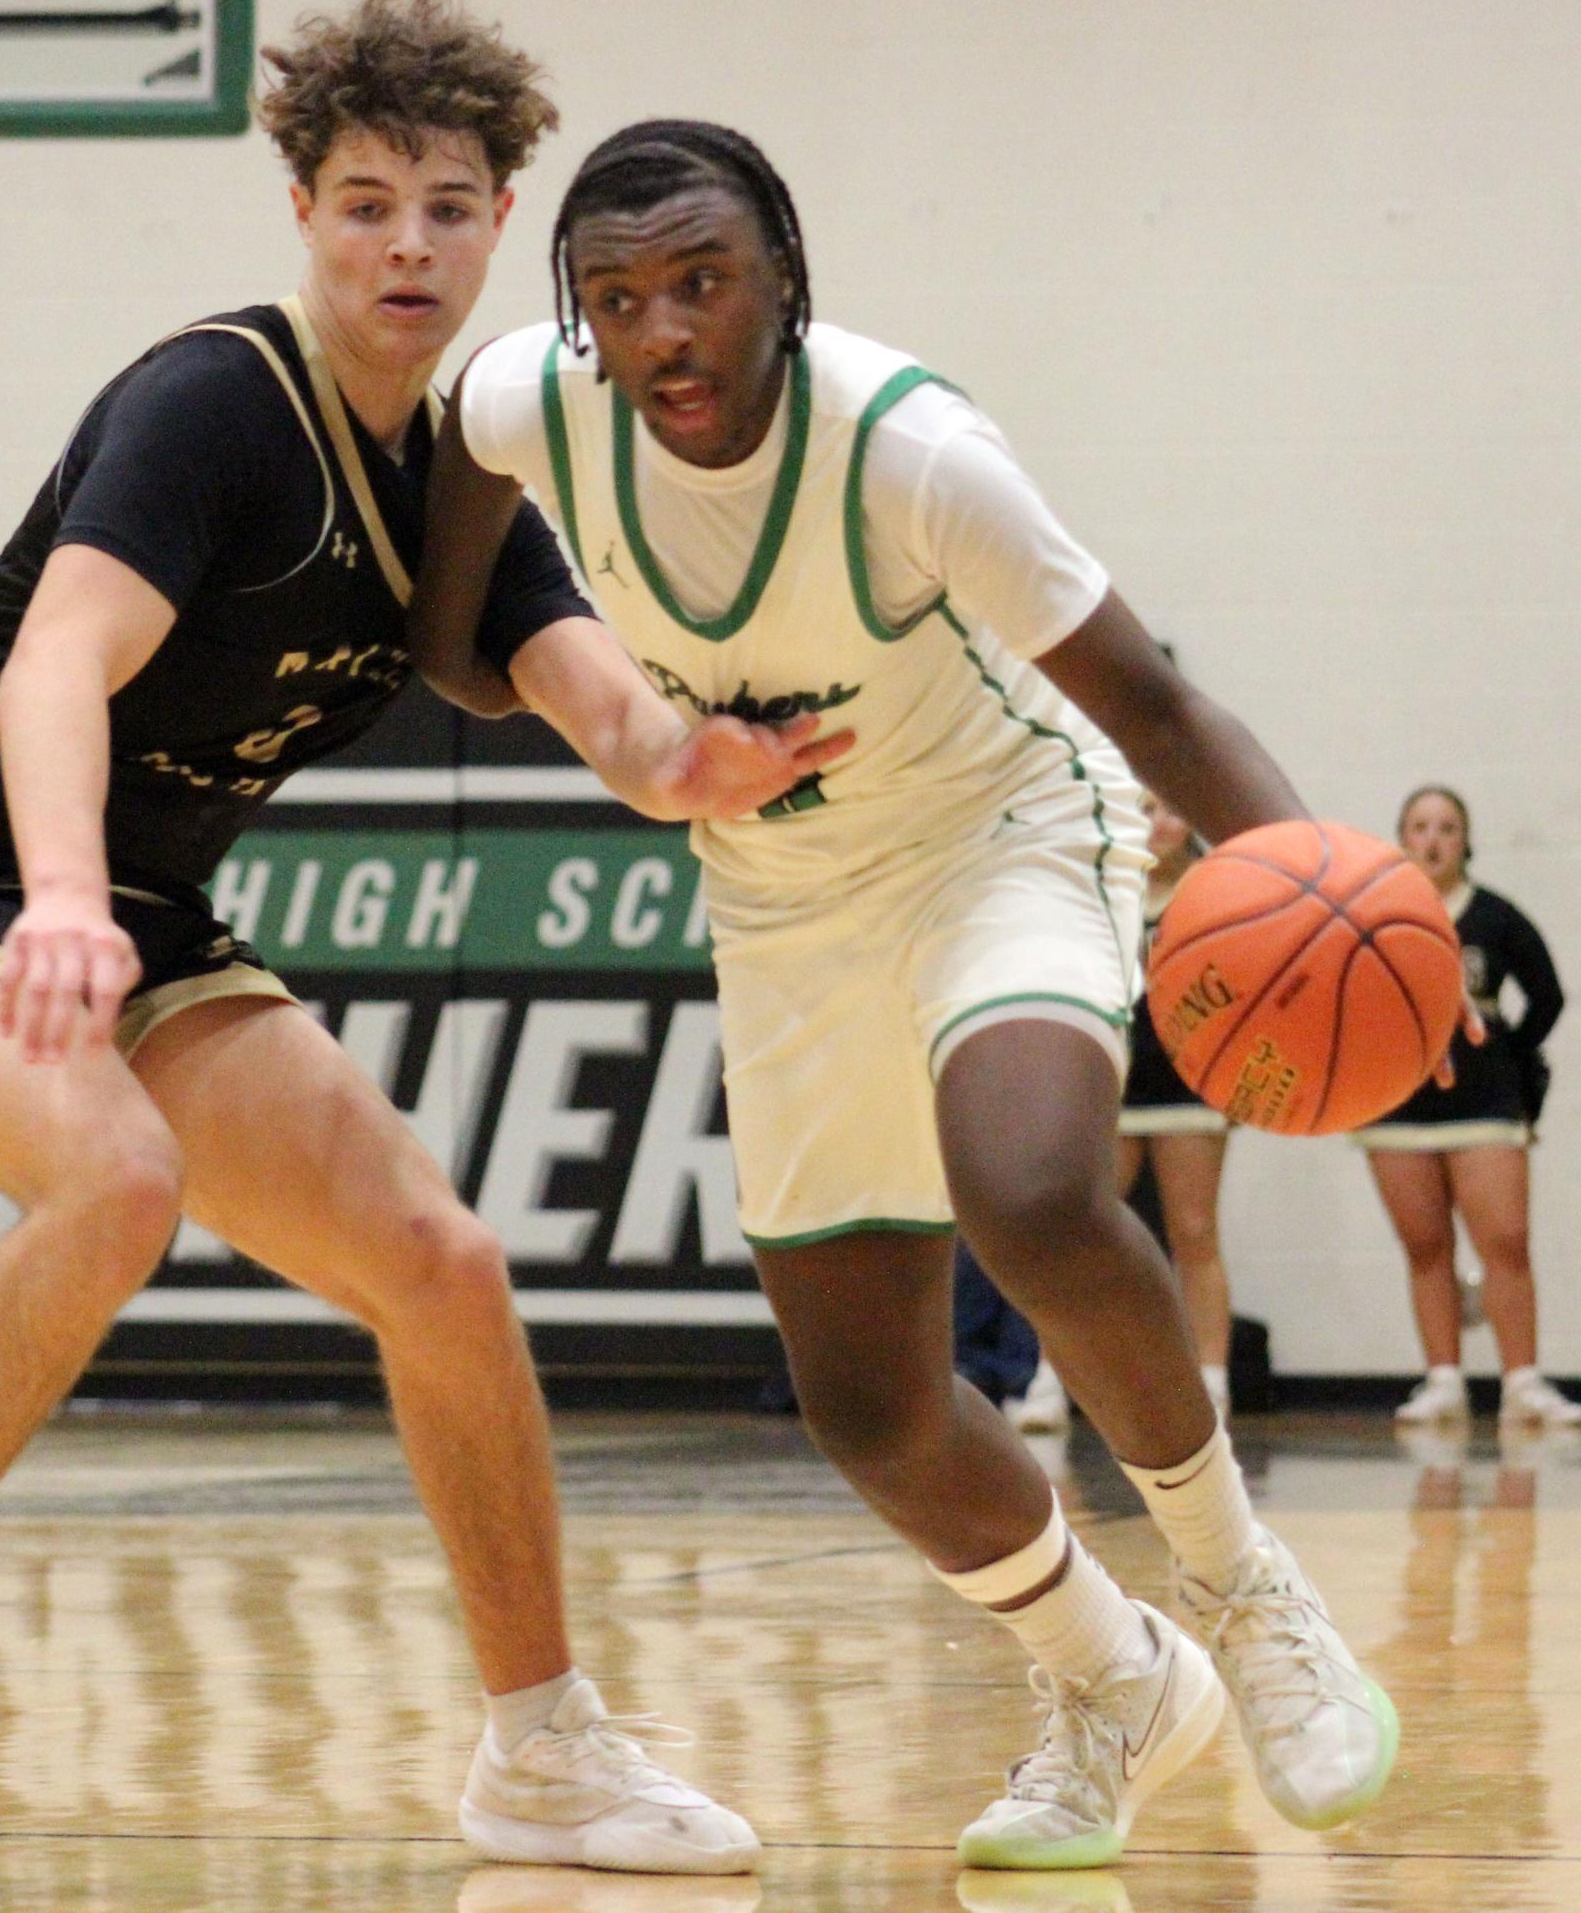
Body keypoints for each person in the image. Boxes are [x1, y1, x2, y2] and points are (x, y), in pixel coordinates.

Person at [0, 4, 800, 1877]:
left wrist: (703, 762)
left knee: (441, 1262)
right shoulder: (216, 401)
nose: (409, 246)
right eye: (368, 204)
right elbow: (60, 657)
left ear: (498, 234)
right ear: (303, 211)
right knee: (112, 1181)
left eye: (450, 209)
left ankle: (542, 1749)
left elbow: (617, 726)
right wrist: (62, 894)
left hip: (136, 906)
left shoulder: (467, 471)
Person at [410, 118, 1413, 1871]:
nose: (662, 333)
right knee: (866, 1406)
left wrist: (1341, 900)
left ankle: (1249, 1598)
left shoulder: (911, 450)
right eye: (619, 298)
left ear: (786, 283)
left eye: (703, 284)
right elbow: (452, 645)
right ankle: (1108, 1679)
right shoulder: (524, 404)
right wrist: (576, 696)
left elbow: (1158, 708)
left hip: (1000, 832)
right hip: (781, 892)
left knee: (1025, 1190)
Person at [1012, 792, 1234, 1431]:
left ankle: (1212, 1383)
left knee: (1194, 1233)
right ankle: (1052, 1382)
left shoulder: (1216, 889)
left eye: (1171, 806)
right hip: (1109, 1079)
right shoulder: (1102, 880)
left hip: (1189, 1082)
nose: (1159, 820)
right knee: (1078, 1235)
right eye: (1144, 806)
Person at [1357, 785, 1573, 1428]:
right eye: (1419, 827)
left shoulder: (1495, 917)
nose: (1433, 840)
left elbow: (1549, 996)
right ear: (1400, 839)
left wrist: (1509, 1055)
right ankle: (1444, 1379)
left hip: (1484, 1102)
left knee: (1506, 1241)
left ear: (1466, 839)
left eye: (1447, 827)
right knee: (1425, 1246)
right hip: (1399, 1105)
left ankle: (1523, 1382)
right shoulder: (1375, 916)